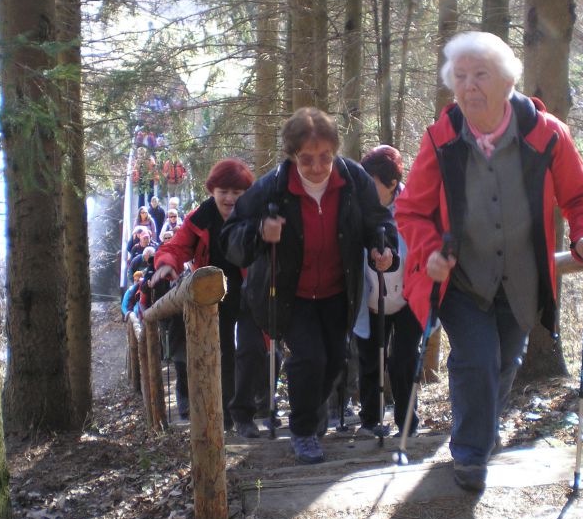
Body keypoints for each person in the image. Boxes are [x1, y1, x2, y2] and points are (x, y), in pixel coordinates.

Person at [395, 31, 583, 492]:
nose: (469, 86)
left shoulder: (547, 134)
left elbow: (581, 196)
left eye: (481, 75)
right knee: (475, 357)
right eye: (461, 77)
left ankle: (483, 433)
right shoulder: (441, 138)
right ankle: (470, 456)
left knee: (505, 360)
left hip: (523, 281)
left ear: (507, 81)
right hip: (461, 279)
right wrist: (431, 250)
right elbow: (411, 208)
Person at [222, 107, 398, 464]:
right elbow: (231, 240)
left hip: (338, 289)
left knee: (334, 360)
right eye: (307, 159)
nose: (317, 167)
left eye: (324, 158)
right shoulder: (272, 187)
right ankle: (303, 432)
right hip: (290, 293)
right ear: (292, 156)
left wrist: (384, 248)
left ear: (334, 151)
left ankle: (312, 412)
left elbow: (378, 221)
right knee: (309, 357)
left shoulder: (354, 181)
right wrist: (260, 233)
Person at [150, 158, 256, 431]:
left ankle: (246, 413)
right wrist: (165, 264)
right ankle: (228, 416)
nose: (230, 198)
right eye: (224, 191)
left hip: (250, 292)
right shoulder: (200, 218)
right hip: (213, 297)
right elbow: (176, 247)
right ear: (212, 191)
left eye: (237, 192)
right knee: (222, 354)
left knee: (252, 349)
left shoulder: (255, 216)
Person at [352, 145, 422, 439]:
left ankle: (408, 424)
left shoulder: (415, 205)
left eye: (373, 184)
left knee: (403, 360)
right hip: (369, 297)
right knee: (370, 359)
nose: (366, 190)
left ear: (392, 184)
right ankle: (369, 420)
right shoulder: (356, 206)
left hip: (409, 297)